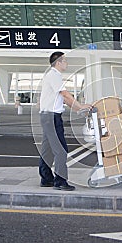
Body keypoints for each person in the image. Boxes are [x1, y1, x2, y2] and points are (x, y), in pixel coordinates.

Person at [39, 51, 92, 191]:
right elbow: (65, 94)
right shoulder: (54, 75)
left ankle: (46, 178)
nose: (66, 63)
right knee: (61, 150)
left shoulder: (52, 75)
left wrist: (78, 109)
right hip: (51, 117)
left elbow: (63, 98)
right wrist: (80, 106)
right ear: (58, 62)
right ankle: (60, 181)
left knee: (48, 149)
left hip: (47, 116)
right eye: (65, 61)